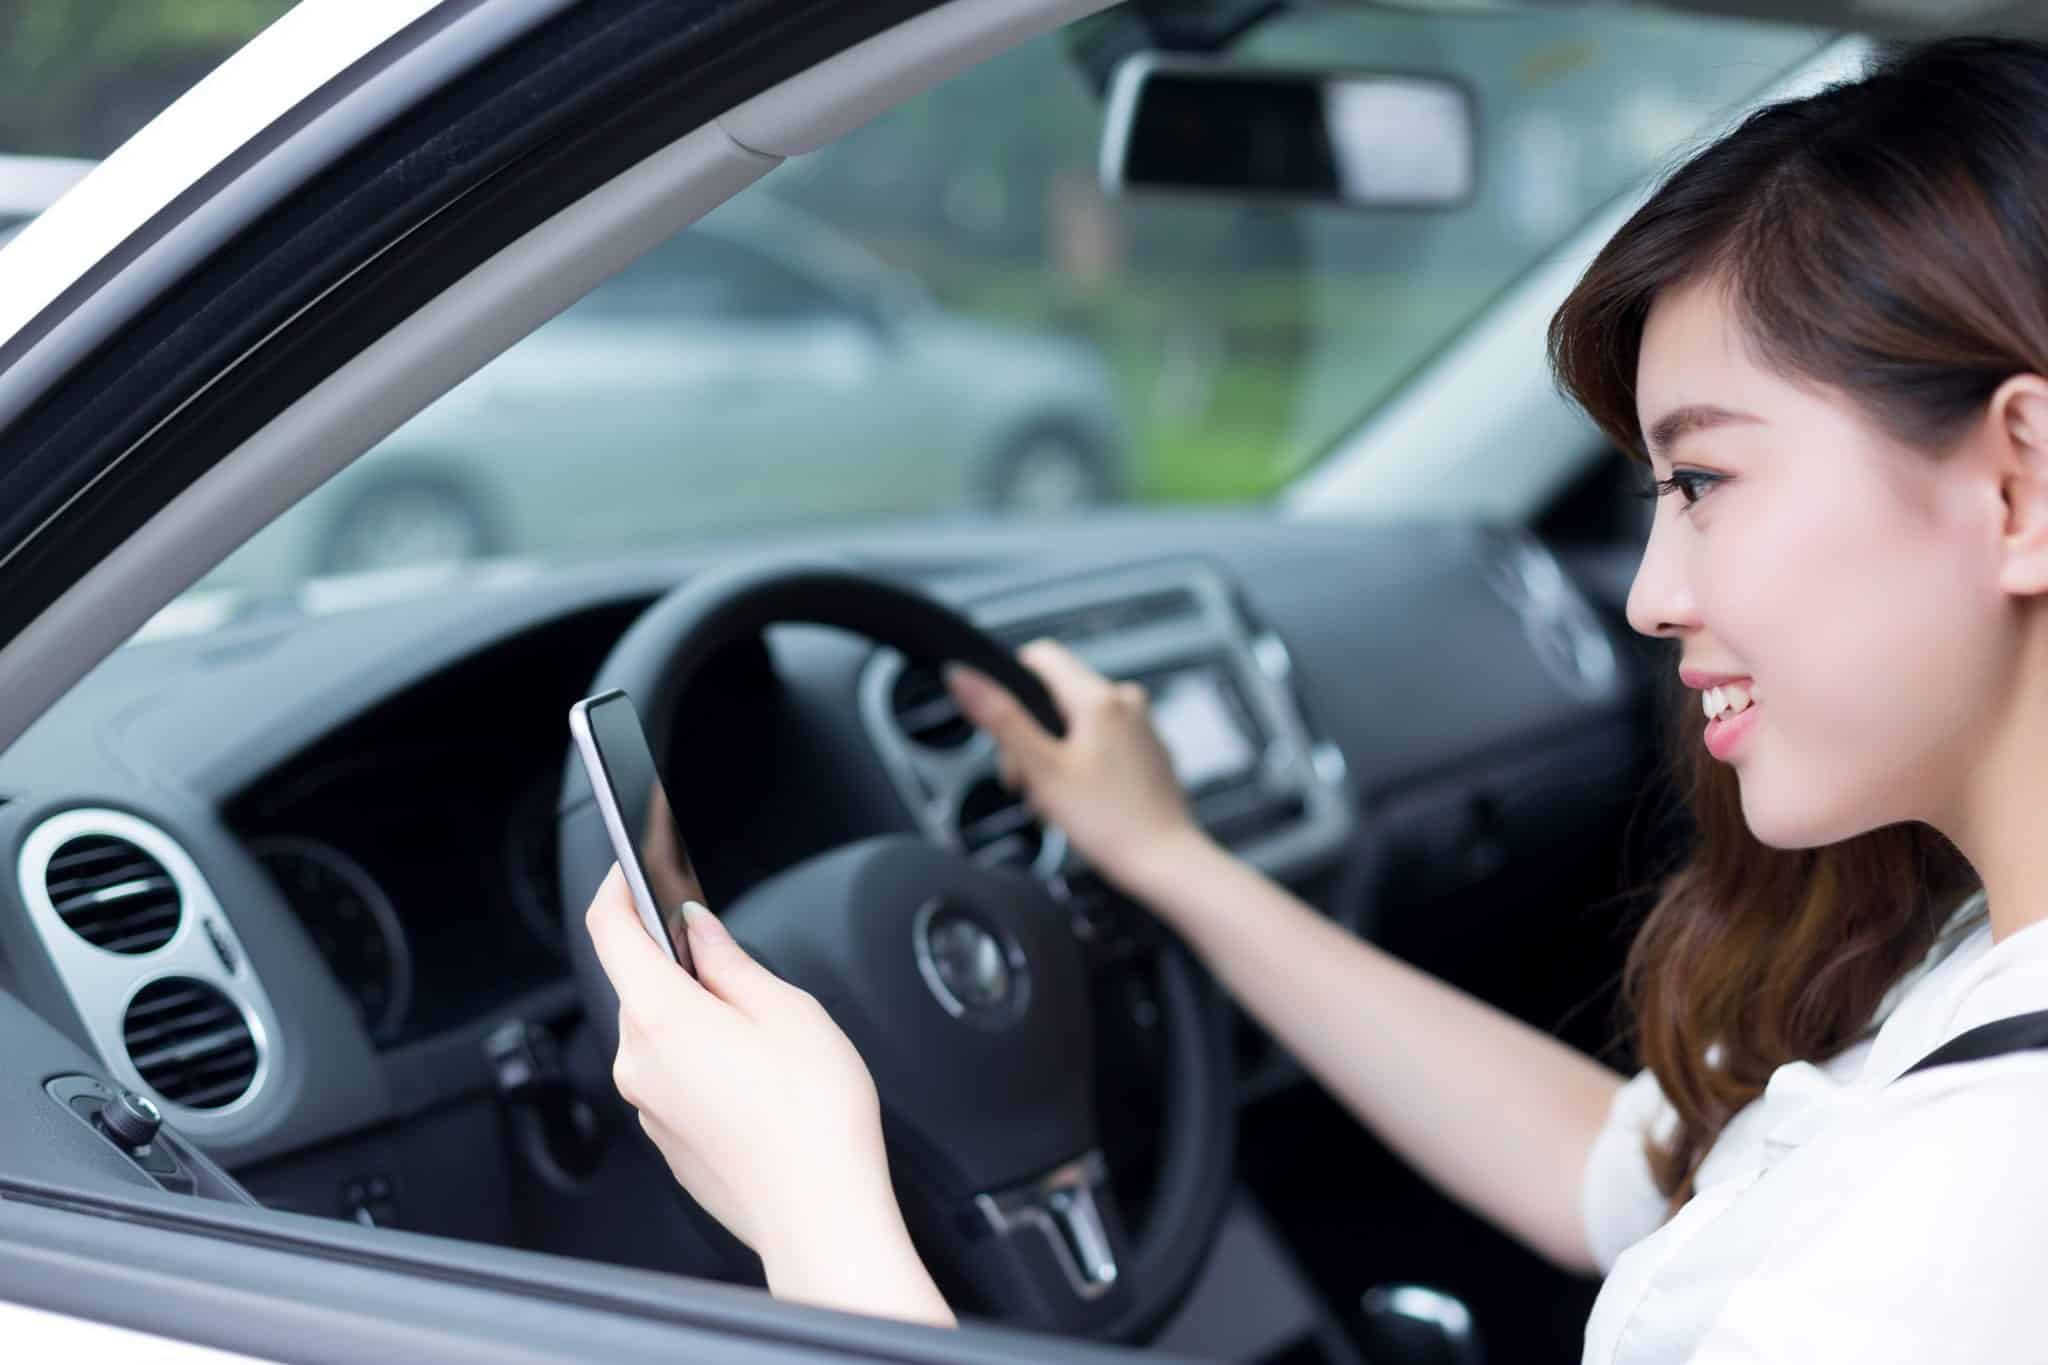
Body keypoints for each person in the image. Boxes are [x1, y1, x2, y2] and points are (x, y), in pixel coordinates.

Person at [582, 34, 2048, 1361]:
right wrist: (1175, 865)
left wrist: (812, 1202)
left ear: (2019, 480)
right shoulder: (1980, 965)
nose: (1649, 591)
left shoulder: (1949, 1232)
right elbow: (1632, 1169)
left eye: (1705, 479)